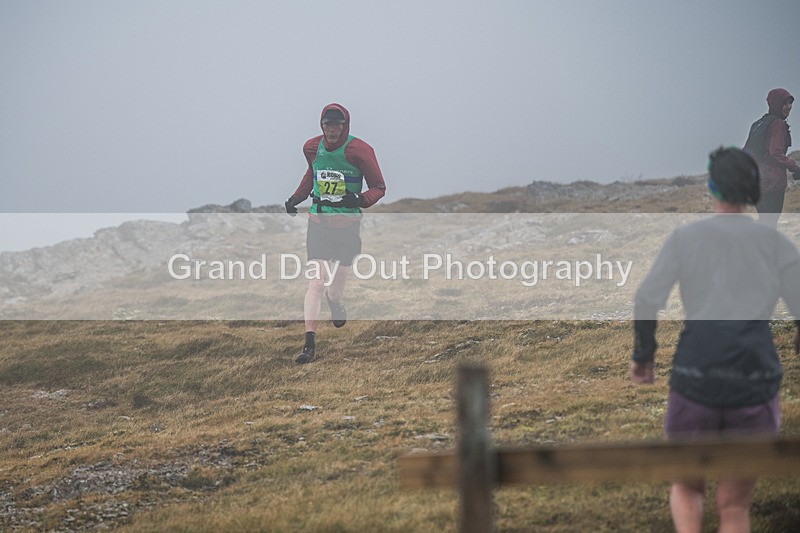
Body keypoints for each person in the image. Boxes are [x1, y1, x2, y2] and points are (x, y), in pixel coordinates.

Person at [630, 147, 800, 532]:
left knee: (688, 487)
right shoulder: (773, 244)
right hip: (755, 381)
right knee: (735, 506)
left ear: (711, 186)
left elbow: (646, 297)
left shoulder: (686, 239)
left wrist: (644, 355)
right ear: (754, 189)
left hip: (696, 377)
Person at [284, 103, 386, 364]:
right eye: (327, 125)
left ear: (345, 126)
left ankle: (335, 300)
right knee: (316, 283)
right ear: (322, 125)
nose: (331, 131)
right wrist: (296, 197)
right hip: (318, 224)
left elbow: (379, 186)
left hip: (347, 228)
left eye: (337, 126)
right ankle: (309, 345)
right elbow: (312, 172)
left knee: (335, 291)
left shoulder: (360, 150)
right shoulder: (311, 147)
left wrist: (360, 200)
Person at [744, 88, 800, 227]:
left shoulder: (759, 123)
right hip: (772, 183)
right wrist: (795, 166)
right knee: (770, 224)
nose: (788, 107)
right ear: (775, 103)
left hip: (757, 183)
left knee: (764, 222)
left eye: (790, 103)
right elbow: (775, 152)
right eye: (784, 103)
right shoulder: (778, 124)